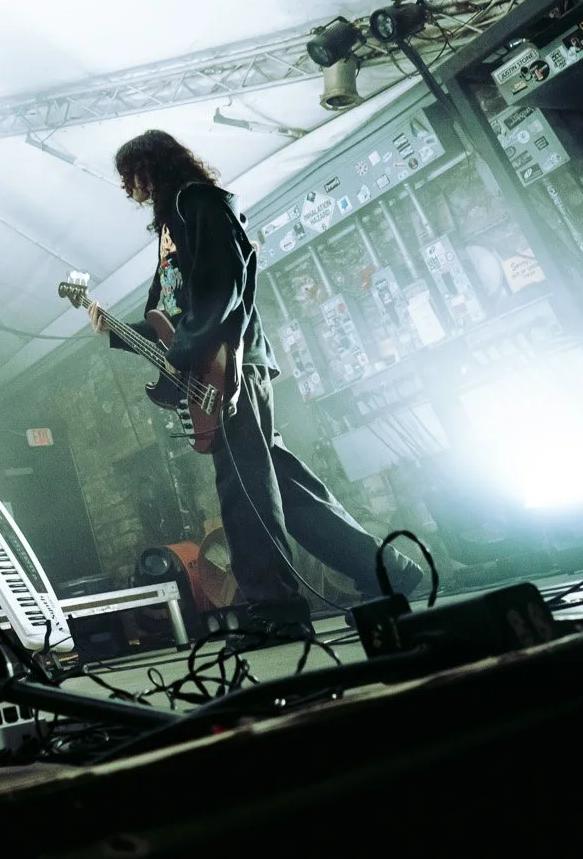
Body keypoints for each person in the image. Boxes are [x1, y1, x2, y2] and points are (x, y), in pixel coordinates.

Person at [85, 130, 422, 639]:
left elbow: (225, 286)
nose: (128, 191)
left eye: (128, 178)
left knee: (244, 490)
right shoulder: (171, 229)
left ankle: (279, 611)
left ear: (147, 168)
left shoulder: (199, 202)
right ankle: (389, 573)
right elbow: (172, 318)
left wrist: (193, 354)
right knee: (283, 486)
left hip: (230, 365)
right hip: (214, 361)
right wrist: (119, 331)